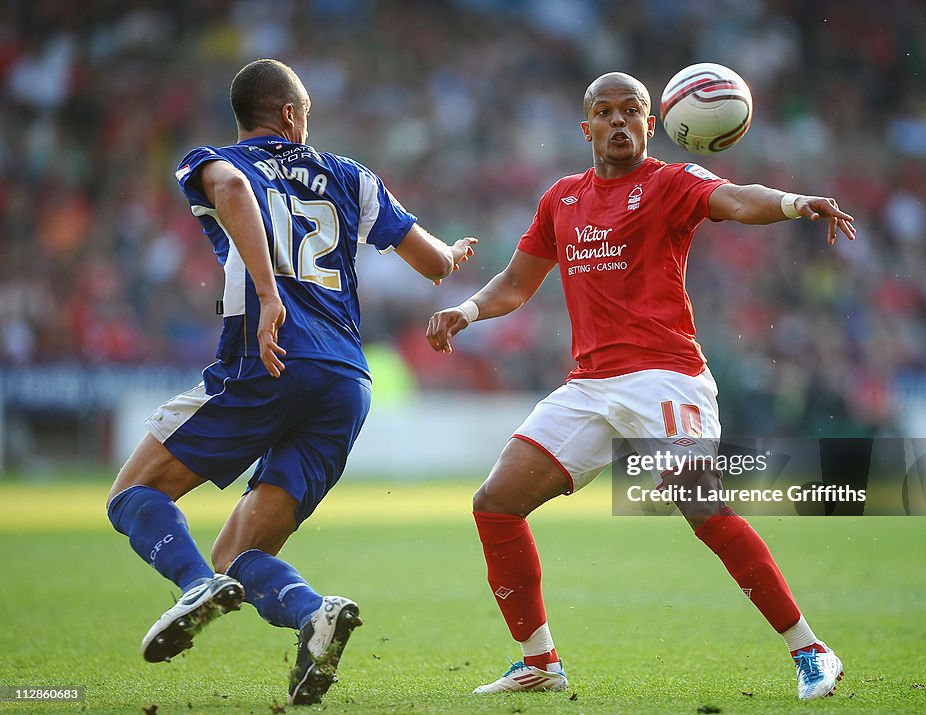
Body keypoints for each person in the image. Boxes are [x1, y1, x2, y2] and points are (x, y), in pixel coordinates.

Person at [426, 71, 855, 701]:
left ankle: (811, 650)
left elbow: (736, 199)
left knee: (696, 499)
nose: (620, 121)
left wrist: (794, 203)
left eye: (633, 111)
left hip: (665, 376)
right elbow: (516, 285)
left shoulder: (670, 184)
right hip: (590, 386)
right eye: (606, 112)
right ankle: (539, 661)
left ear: (651, 124)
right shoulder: (561, 199)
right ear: (587, 127)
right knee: (494, 501)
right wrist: (466, 311)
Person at [106, 58, 476, 706]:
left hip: (268, 359)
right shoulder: (350, 174)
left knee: (132, 492)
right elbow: (431, 262)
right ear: (290, 114)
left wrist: (270, 293)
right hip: (344, 380)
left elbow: (234, 192)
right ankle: (312, 613)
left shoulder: (211, 161)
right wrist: (451, 255)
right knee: (238, 552)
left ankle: (192, 585)